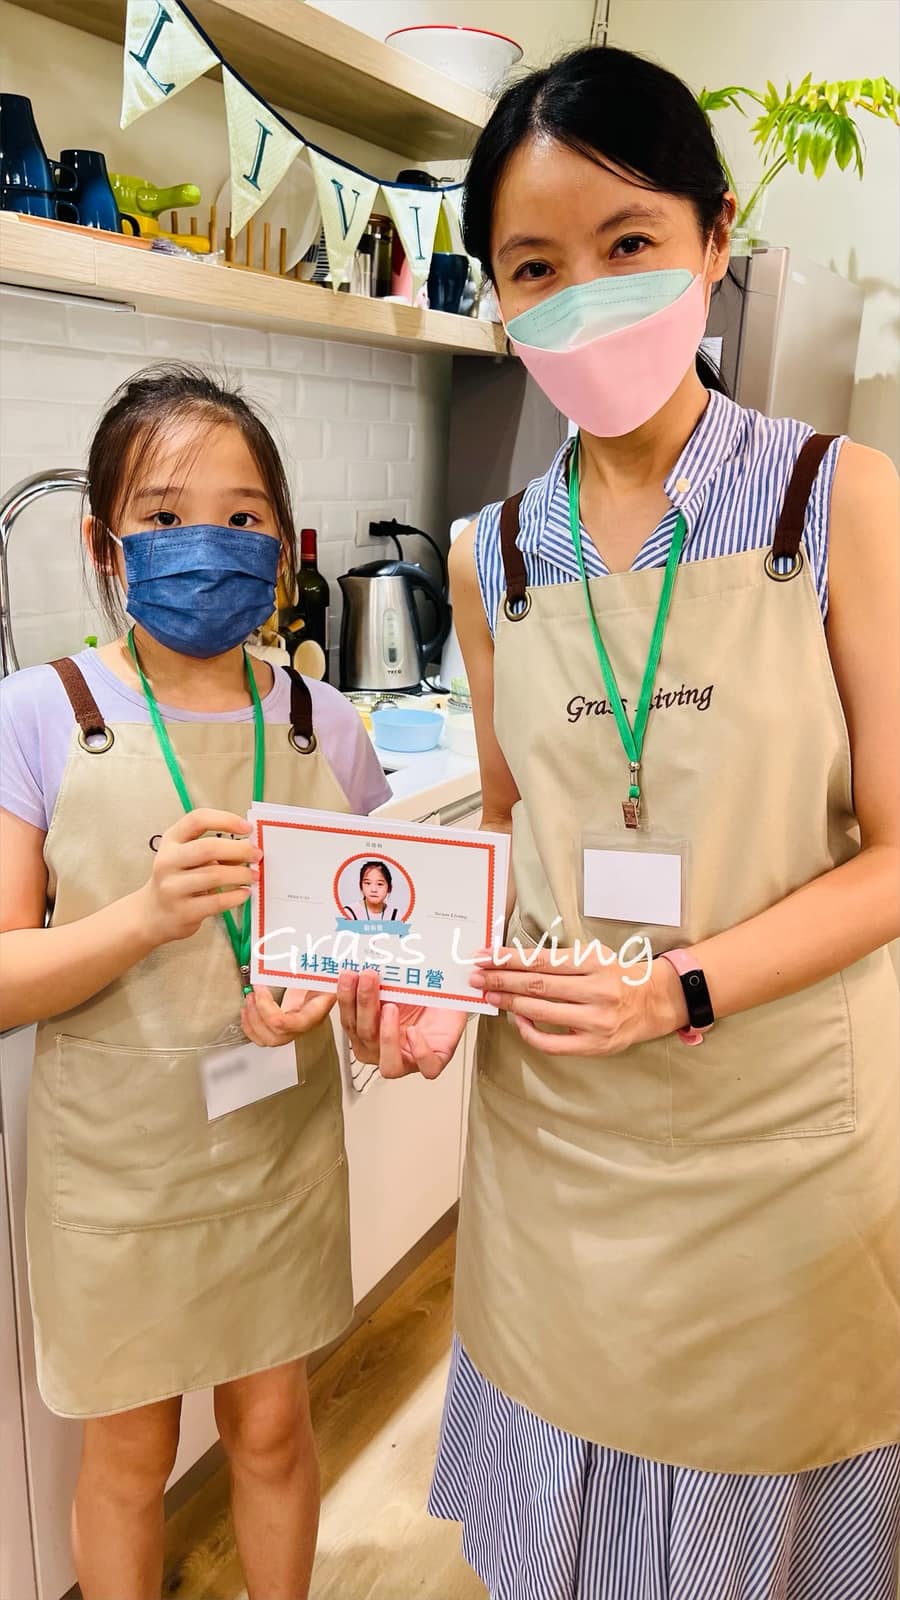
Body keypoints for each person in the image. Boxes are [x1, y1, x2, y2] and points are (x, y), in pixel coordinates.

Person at [337, 46, 900, 1600]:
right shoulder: (493, 557)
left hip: (776, 1144)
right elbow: (511, 830)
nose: (582, 297)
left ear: (714, 240)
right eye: (535, 267)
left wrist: (678, 989)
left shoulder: (837, 499)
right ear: (500, 300)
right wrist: (434, 989)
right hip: (557, 1154)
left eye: (628, 241)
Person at [0, 364, 390, 1600]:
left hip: (277, 1149)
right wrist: (143, 917)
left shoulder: (326, 724)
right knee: (129, 1449)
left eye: (241, 516)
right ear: (103, 545)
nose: (205, 543)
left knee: (271, 1426)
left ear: (279, 543)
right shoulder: (39, 715)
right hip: (118, 1172)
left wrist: (332, 990)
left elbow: (375, 941)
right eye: (164, 517)